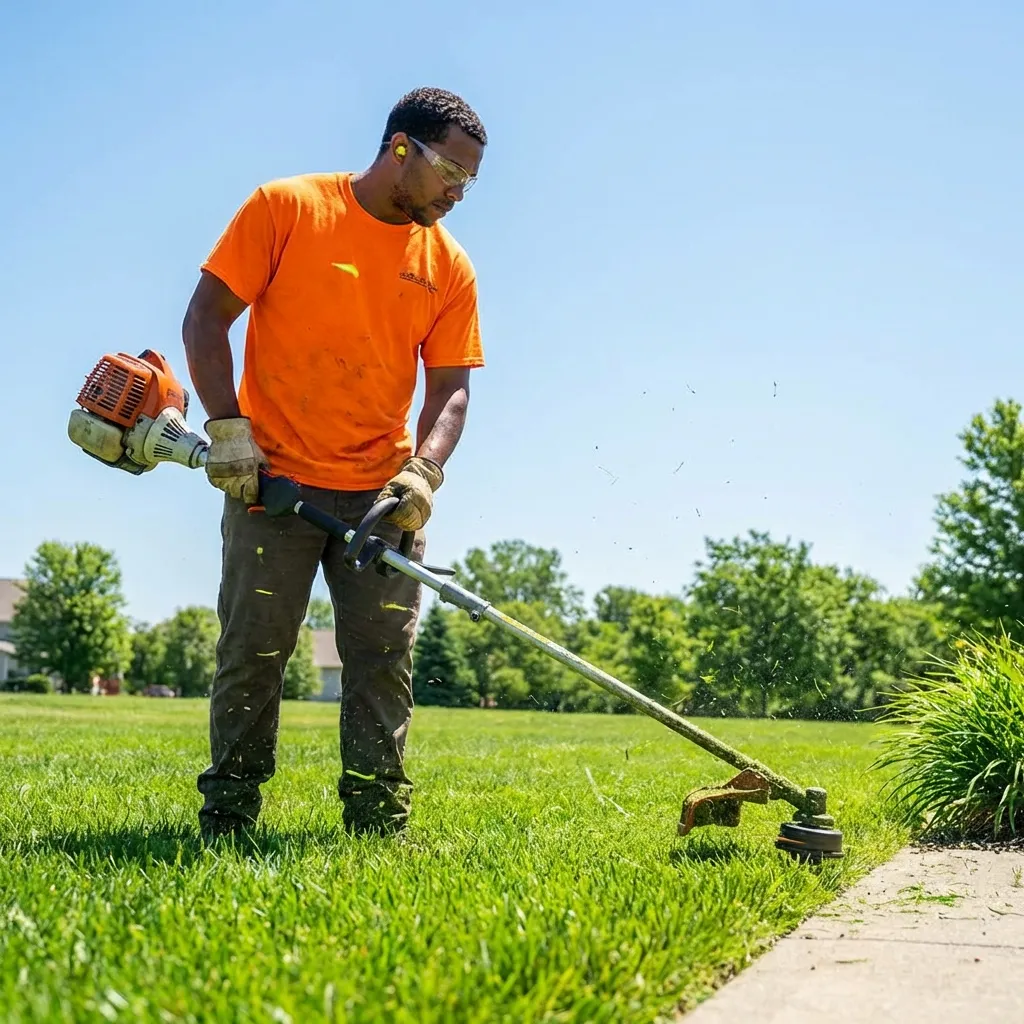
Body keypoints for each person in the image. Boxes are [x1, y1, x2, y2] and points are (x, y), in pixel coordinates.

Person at [182, 86, 487, 839]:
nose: (458, 192)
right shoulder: (287, 208)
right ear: (400, 148)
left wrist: (423, 474)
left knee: (383, 662)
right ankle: (229, 814)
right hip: (271, 482)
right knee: (254, 652)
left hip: (379, 500)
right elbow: (206, 318)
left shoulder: (448, 266)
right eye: (451, 170)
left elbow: (450, 390)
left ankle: (378, 819)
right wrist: (228, 431)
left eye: (470, 181)